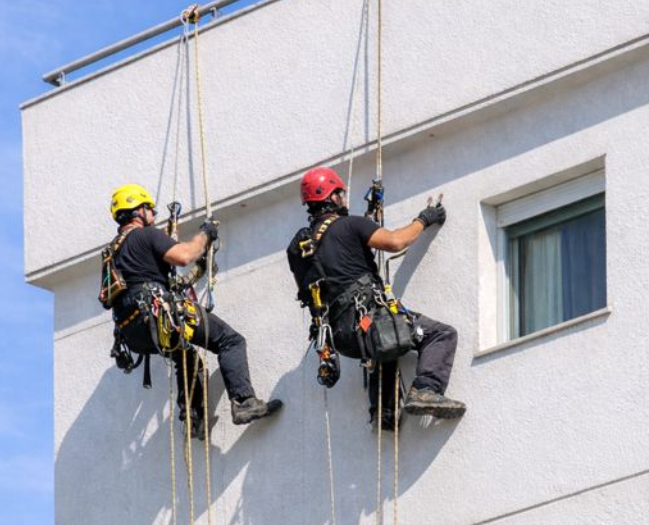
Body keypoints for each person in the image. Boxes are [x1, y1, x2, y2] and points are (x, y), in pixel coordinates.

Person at [287, 168, 465, 431]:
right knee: (441, 334)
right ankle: (426, 389)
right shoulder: (349, 225)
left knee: (384, 345)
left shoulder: (298, 247)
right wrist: (424, 219)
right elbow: (395, 241)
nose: (344, 199)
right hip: (367, 320)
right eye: (341, 194)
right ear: (332, 197)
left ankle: (384, 412)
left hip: (340, 336)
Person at [108, 183, 282, 439]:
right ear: (139, 210)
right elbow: (183, 255)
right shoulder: (146, 235)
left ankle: (194, 419)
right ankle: (244, 402)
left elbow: (155, 280)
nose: (154, 217)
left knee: (185, 357)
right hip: (156, 314)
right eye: (151, 211)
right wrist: (206, 234)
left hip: (133, 332)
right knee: (229, 340)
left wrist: (193, 274)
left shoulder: (112, 252)